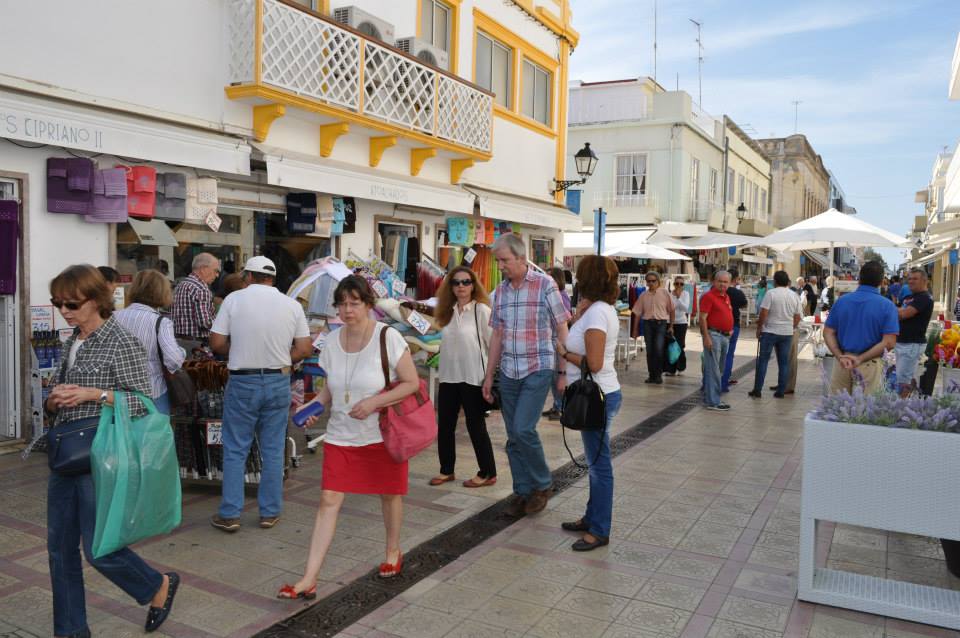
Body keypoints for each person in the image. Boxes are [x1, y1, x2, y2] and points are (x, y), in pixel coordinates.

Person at [44, 265, 178, 637]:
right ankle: (71, 631)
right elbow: (59, 395)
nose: (64, 311)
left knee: (98, 549)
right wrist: (53, 401)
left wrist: (94, 394)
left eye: (72, 304)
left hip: (99, 456)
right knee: (59, 550)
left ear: (96, 300)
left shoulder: (121, 341)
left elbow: (142, 403)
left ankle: (156, 585)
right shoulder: (72, 340)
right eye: (58, 303)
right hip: (65, 455)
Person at [278, 276, 420, 598]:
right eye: (342, 304)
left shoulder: (388, 337)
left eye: (354, 303)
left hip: (381, 434)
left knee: (389, 494)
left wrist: (374, 402)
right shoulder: (331, 341)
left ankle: (393, 551)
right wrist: (314, 407)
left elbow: (411, 383)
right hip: (341, 435)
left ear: (368, 304)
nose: (347, 310)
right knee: (328, 499)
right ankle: (309, 578)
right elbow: (330, 389)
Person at [209, 256, 313, 533]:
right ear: (272, 278)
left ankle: (230, 514)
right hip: (278, 381)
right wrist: (281, 358)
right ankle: (269, 512)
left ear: (248, 276)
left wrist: (240, 351)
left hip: (243, 382)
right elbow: (305, 348)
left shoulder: (233, 300)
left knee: (235, 449)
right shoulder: (292, 305)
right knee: (273, 449)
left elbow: (217, 343)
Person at [482, 233, 570, 516]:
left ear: (521, 258)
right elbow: (497, 335)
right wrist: (489, 376)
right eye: (498, 261)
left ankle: (542, 484)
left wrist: (564, 371)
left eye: (504, 260)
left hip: (538, 367)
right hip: (509, 371)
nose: (500, 266)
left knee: (523, 429)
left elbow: (562, 327)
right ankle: (522, 491)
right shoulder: (501, 291)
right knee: (513, 436)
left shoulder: (546, 285)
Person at [555, 256, 622, 551]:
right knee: (595, 462)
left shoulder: (597, 314)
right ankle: (591, 517)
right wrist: (577, 318)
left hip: (597, 397)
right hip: (600, 394)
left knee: (599, 466)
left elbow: (594, 363)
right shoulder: (597, 310)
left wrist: (563, 354)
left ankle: (599, 530)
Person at [430, 266, 497, 488]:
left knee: (475, 425)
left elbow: (493, 344)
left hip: (473, 377)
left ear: (473, 285)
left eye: (466, 282)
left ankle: (488, 472)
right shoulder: (445, 311)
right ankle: (446, 470)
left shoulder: (481, 310)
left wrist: (490, 376)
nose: (461, 286)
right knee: (445, 425)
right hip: (449, 376)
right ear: (450, 286)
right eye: (456, 282)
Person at [113, 270, 186, 415]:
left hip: (118, 394)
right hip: (152, 392)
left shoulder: (113, 317)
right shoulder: (161, 322)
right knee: (155, 430)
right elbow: (173, 360)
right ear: (163, 292)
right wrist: (182, 351)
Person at [824, 261, 899, 395]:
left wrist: (839, 356)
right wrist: (860, 358)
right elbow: (889, 342)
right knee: (865, 407)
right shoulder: (887, 306)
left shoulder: (842, 301)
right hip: (869, 364)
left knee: (837, 406)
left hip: (843, 362)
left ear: (859, 278)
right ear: (882, 281)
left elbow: (828, 332)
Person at [749, 271, 803, 399]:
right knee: (784, 363)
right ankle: (781, 391)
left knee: (763, 361)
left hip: (770, 331)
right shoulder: (794, 295)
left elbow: (763, 313)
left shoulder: (771, 293)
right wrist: (791, 327)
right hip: (786, 333)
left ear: (775, 281)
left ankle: (757, 390)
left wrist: (759, 328)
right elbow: (797, 316)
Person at [895, 268, 934, 397]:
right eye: (909, 279)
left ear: (925, 281)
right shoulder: (909, 297)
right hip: (903, 342)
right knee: (903, 378)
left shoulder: (924, 298)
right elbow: (899, 311)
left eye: (915, 279)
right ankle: (906, 403)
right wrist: (896, 310)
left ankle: (900, 406)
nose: (911, 281)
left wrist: (889, 309)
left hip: (912, 344)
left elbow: (904, 314)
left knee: (903, 381)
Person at [698, 270, 733, 411]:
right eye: (720, 281)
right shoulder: (708, 297)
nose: (722, 284)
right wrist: (706, 337)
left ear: (729, 283)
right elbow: (702, 318)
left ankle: (710, 397)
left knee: (719, 368)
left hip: (724, 336)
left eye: (725, 282)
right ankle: (713, 401)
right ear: (714, 282)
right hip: (714, 335)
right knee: (713, 370)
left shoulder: (726, 296)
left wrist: (730, 329)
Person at [631, 271, 674, 384]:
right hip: (648, 324)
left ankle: (658, 375)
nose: (651, 283)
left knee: (658, 349)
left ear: (658, 282)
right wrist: (635, 330)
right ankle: (651, 375)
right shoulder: (643, 295)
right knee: (650, 351)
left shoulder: (665, 293)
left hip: (661, 324)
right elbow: (637, 313)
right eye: (649, 281)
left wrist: (671, 326)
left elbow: (672, 309)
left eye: (653, 281)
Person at [543, 267, 572, 420]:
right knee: (553, 377)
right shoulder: (554, 295)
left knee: (557, 377)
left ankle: (560, 406)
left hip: (557, 341)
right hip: (552, 340)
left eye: (549, 277)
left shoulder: (561, 296)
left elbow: (564, 320)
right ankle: (557, 405)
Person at [171, 252, 220, 341]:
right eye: (215, 271)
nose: (217, 275)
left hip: (178, 340)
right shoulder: (201, 289)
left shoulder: (181, 285)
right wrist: (224, 323)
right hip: (198, 342)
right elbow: (205, 323)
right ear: (203, 269)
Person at [721, 269, 748, 392]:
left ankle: (708, 382)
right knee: (729, 355)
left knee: (715, 355)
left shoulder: (719, 291)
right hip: (734, 325)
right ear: (736, 279)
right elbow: (744, 304)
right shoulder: (738, 293)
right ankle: (724, 383)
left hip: (718, 326)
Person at [664, 277, 690, 375]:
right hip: (669, 322)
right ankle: (670, 370)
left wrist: (679, 297)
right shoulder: (669, 294)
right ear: (674, 284)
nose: (679, 285)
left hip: (681, 322)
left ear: (683, 285)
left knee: (680, 345)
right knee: (670, 345)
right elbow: (668, 309)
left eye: (681, 284)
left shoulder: (686, 294)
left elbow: (685, 308)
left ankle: (681, 367)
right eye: (677, 283)